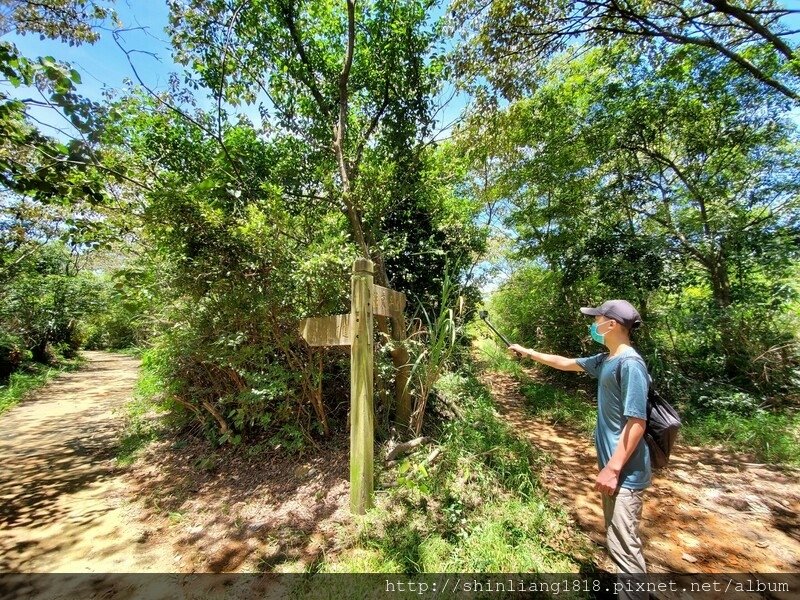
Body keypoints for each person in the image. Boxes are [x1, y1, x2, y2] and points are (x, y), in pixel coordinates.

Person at [507, 299, 650, 596]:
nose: (593, 325)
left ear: (611, 324)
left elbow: (637, 422)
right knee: (617, 539)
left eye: (597, 319)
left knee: (625, 548)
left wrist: (613, 468)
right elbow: (565, 362)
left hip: (625, 472)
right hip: (616, 470)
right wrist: (528, 352)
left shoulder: (630, 363)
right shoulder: (607, 360)